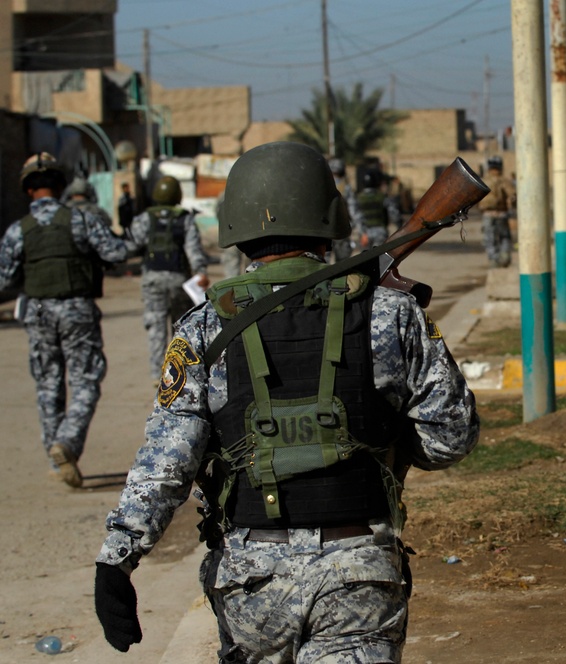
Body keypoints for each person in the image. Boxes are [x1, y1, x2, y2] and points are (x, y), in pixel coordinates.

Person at [94, 141, 479, 661]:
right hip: (359, 573)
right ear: (330, 216)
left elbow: (167, 464)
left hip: (252, 583)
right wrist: (381, 443)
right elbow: (451, 437)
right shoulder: (391, 312)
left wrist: (118, 559)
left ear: (235, 225)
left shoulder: (203, 327)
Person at [0, 153, 128, 487]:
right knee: (85, 380)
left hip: (38, 311)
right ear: (60, 186)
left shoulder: (18, 230)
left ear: (28, 191)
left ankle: (57, 460)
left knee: (48, 384)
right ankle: (67, 443)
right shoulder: (80, 221)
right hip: (78, 310)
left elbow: (4, 279)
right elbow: (116, 252)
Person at [125, 175, 210, 382]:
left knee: (155, 326)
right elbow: (193, 250)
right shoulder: (185, 218)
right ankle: (177, 372)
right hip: (179, 281)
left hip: (152, 279)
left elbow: (130, 245)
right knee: (180, 327)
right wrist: (200, 271)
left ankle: (157, 373)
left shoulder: (146, 218)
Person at [476, 156, 516, 267]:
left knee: (489, 238)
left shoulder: (483, 181)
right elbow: (513, 196)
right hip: (502, 214)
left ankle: (494, 260)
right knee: (504, 237)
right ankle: (504, 258)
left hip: (487, 215)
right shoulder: (504, 181)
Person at [356, 169, 400, 250]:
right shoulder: (382, 197)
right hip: (380, 232)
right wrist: (399, 226)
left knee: (364, 260)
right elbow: (394, 213)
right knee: (380, 259)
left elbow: (357, 218)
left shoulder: (359, 198)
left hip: (365, 234)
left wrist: (362, 233)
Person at [329, 157, 360, 261]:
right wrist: (358, 228)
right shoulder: (346, 188)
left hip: (323, 230)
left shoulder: (322, 186)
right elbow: (353, 209)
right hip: (340, 229)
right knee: (342, 264)